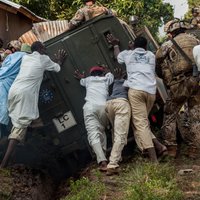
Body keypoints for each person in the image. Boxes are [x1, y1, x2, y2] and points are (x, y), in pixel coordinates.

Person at [0, 41, 67, 168]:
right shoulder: (44, 59)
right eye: (44, 47)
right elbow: (57, 68)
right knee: (20, 126)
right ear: (40, 49)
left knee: (24, 121)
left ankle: (20, 146)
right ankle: (4, 163)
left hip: (14, 90)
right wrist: (59, 60)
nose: (46, 48)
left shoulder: (25, 57)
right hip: (26, 94)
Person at [107, 35, 167, 163]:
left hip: (136, 92)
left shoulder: (128, 54)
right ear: (145, 46)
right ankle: (159, 146)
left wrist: (116, 45)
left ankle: (154, 159)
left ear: (133, 45)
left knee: (141, 123)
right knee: (141, 122)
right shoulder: (151, 55)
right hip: (150, 92)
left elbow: (118, 56)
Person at [156, 19, 200, 158]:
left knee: (170, 114)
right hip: (196, 81)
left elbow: (158, 63)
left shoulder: (168, 45)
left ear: (171, 32)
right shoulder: (196, 41)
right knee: (196, 116)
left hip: (178, 84)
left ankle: (171, 149)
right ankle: (195, 150)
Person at [74, 66, 114, 171]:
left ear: (91, 75)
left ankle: (103, 161)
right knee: (102, 131)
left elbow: (81, 80)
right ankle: (105, 157)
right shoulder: (106, 79)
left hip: (90, 107)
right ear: (101, 74)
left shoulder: (87, 80)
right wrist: (108, 72)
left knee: (93, 134)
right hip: (103, 107)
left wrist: (82, 77)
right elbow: (111, 76)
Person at [0, 43, 30, 138]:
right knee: (4, 109)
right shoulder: (25, 57)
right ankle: (3, 129)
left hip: (3, 81)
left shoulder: (11, 56)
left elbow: (4, 65)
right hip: (4, 85)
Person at [105, 67, 131, 175]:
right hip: (121, 104)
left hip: (109, 104)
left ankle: (118, 157)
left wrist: (107, 71)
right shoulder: (127, 82)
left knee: (115, 131)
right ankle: (112, 164)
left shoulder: (115, 81)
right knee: (121, 134)